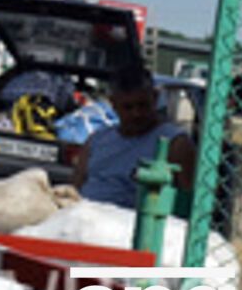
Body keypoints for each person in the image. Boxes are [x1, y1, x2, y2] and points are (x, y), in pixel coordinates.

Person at [72, 66, 196, 209]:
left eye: (142, 105)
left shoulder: (175, 143)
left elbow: (186, 197)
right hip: (84, 216)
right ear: (114, 104)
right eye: (128, 107)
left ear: (155, 98)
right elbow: (76, 185)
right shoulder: (97, 140)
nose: (136, 114)